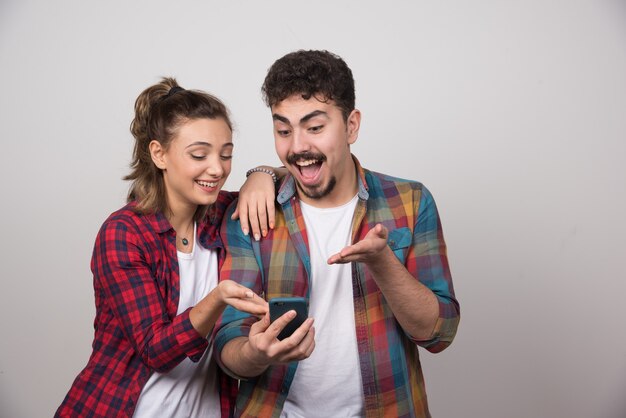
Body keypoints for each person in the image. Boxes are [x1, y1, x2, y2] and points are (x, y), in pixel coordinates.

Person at [214, 50, 461, 417]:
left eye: (314, 128)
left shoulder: (410, 202)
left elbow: (440, 334)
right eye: (283, 130)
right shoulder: (251, 213)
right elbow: (227, 346)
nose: (297, 146)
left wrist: (383, 263)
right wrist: (255, 352)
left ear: (351, 126)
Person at [55, 77, 279, 418]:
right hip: (124, 408)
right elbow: (154, 349)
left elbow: (289, 177)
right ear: (159, 154)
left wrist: (262, 174)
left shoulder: (223, 216)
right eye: (199, 154)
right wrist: (217, 298)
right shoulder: (124, 233)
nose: (217, 169)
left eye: (226, 154)